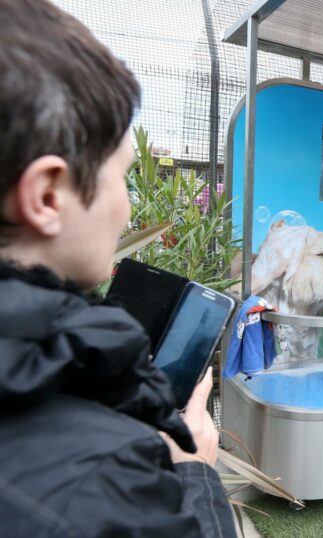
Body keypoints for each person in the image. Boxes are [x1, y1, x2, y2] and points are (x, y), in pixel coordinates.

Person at [0, 1, 237, 536]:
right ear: (46, 195)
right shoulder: (96, 482)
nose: (128, 209)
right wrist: (195, 470)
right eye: (123, 178)